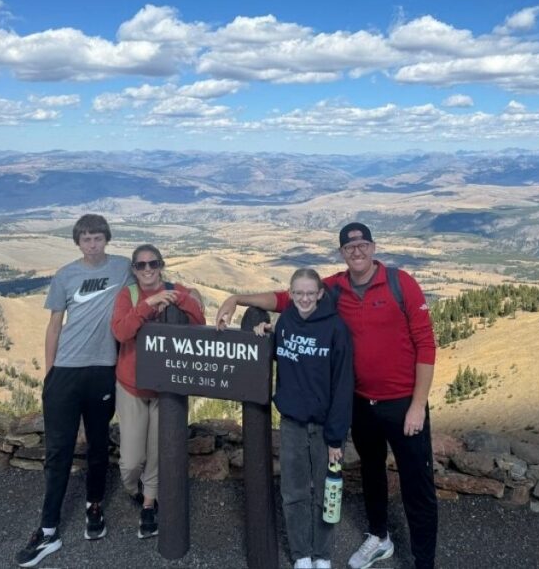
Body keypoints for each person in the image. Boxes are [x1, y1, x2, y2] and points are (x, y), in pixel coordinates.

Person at [217, 223, 438, 569]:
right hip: (361, 402)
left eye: (363, 245)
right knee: (372, 473)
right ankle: (380, 538)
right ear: (342, 253)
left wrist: (418, 405)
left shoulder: (401, 283)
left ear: (373, 247)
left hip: (402, 402)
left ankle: (425, 562)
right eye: (350, 248)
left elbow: (426, 343)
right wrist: (237, 299)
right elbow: (286, 298)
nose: (357, 252)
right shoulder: (335, 287)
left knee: (417, 484)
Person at [16, 214, 131, 568]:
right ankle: (48, 530)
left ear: (106, 240)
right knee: (59, 451)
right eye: (86, 239)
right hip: (66, 370)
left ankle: (94, 505)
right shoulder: (65, 275)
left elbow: (153, 280)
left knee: (98, 444)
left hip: (102, 369)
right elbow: (54, 327)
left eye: (98, 238)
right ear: (78, 242)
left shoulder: (124, 268)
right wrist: (50, 374)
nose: (93, 244)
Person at [252, 268, 353, 569]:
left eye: (311, 293)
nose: (305, 298)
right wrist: (263, 335)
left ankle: (322, 554)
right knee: (294, 493)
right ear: (291, 293)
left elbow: (343, 385)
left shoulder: (336, 328)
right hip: (292, 423)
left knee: (326, 494)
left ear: (321, 293)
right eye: (299, 293)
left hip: (325, 428)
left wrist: (336, 438)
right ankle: (301, 555)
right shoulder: (285, 322)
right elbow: (281, 354)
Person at [110, 244, 205, 539]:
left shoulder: (175, 289)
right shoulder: (129, 295)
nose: (148, 269)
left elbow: (198, 321)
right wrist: (150, 305)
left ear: (161, 265)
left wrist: (180, 298)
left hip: (166, 388)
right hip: (132, 387)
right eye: (141, 265)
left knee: (156, 452)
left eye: (153, 264)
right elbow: (121, 332)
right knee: (130, 461)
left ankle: (149, 504)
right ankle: (132, 488)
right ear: (134, 270)